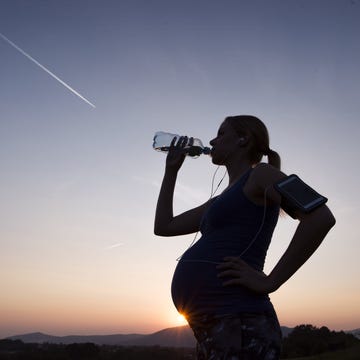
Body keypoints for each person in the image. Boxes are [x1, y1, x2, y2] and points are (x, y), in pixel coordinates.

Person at [154, 115, 336, 359]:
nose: (211, 140)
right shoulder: (218, 201)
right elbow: (164, 226)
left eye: (220, 133)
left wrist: (271, 281)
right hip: (212, 328)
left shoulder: (261, 175)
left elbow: (320, 217)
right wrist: (171, 171)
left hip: (241, 322)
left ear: (243, 139)